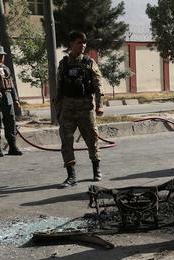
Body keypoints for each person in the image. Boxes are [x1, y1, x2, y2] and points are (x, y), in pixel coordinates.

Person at [55, 30, 104, 188]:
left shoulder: (89, 63)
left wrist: (99, 104)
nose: (82, 45)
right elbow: (59, 89)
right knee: (66, 142)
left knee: (92, 139)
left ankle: (96, 169)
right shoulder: (63, 64)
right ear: (71, 44)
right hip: (68, 109)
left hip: (85, 108)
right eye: (79, 42)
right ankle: (71, 176)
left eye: (84, 43)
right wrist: (58, 111)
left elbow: (98, 85)